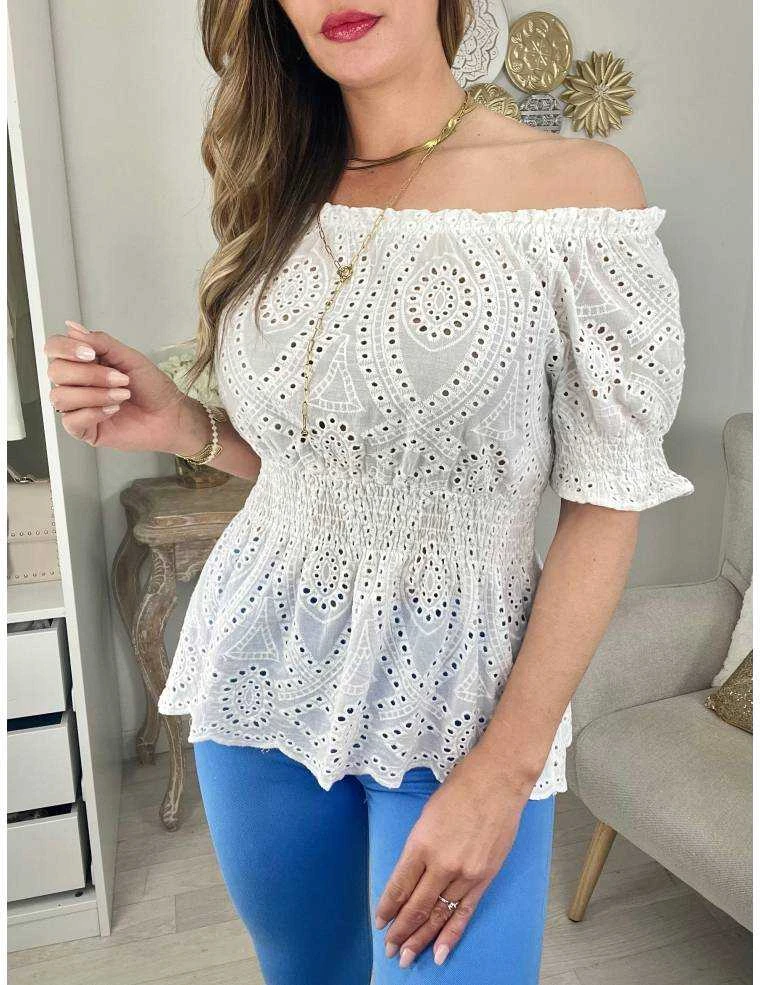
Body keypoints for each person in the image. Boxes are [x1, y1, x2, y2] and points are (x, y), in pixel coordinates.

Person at [42, 1, 695, 982]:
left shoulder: (579, 190)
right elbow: (322, 468)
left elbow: (605, 502)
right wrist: (180, 424)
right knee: (306, 973)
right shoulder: (280, 186)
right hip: (258, 667)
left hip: (461, 701)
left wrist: (505, 770)